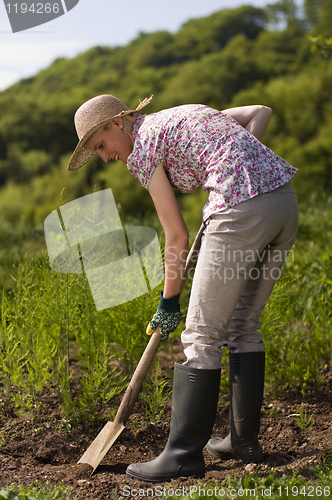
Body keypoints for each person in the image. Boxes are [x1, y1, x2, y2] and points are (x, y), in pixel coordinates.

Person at [68, 94, 299, 483]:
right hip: (283, 205)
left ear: (118, 124)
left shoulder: (142, 150)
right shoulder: (182, 115)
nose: (106, 157)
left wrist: (168, 301)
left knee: (200, 334)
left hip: (239, 211)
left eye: (102, 146)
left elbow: (176, 235)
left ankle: (182, 456)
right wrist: (235, 166)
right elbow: (260, 113)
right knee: (243, 323)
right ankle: (243, 442)